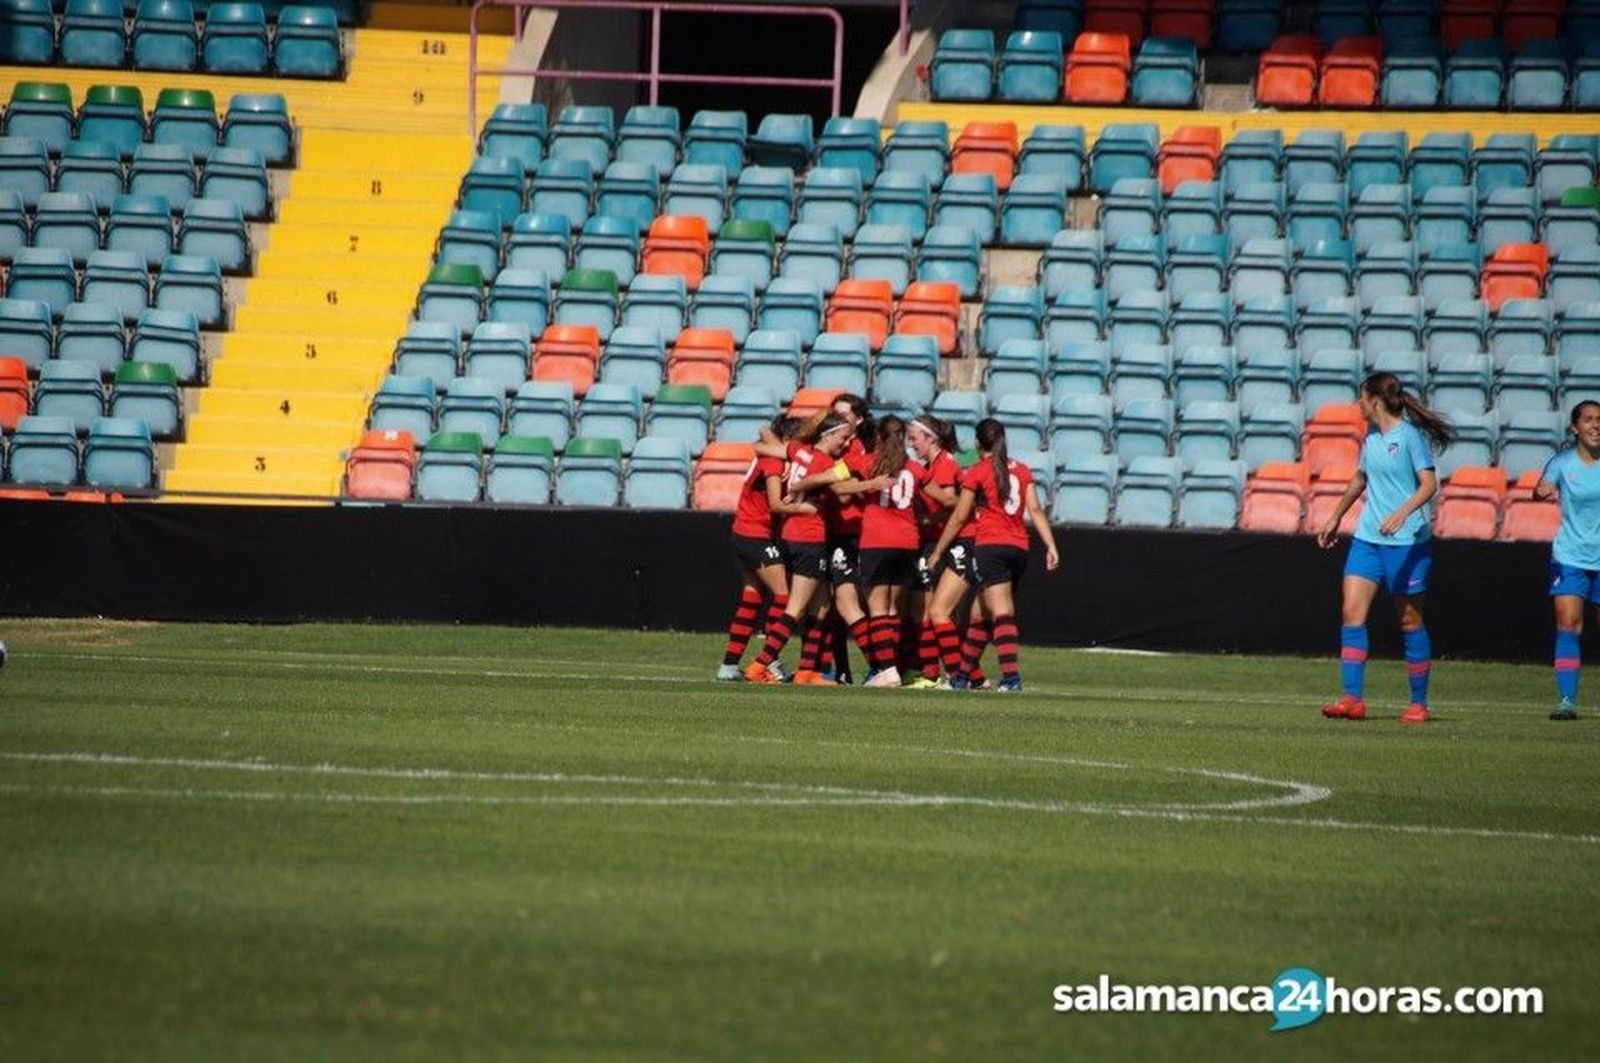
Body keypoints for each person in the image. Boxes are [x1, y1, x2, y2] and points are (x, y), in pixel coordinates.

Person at [1315, 372, 1454, 724]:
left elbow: (1429, 484)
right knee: (1351, 613)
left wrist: (1402, 512)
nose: (1357, 404)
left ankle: (1418, 703)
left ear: (1374, 399)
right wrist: (1335, 517)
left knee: (1409, 620)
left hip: (1407, 543)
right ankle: (1352, 700)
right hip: (1367, 540)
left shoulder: (1409, 436)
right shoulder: (1371, 435)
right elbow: (1360, 479)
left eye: (1361, 397)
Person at [743, 414, 889, 684]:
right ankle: (758, 666)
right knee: (795, 608)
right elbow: (841, 490)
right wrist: (872, 484)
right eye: (843, 438)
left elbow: (759, 446)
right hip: (809, 537)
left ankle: (808, 672)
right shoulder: (823, 461)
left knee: (820, 608)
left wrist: (786, 466)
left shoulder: (798, 450)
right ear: (828, 435)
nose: (845, 444)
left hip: (788, 535)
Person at [927, 418, 1061, 692]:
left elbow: (959, 516)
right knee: (979, 615)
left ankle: (1011, 679)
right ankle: (961, 679)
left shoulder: (977, 471)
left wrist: (939, 550)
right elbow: (1035, 510)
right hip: (1019, 548)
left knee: (1000, 611)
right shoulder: (1022, 470)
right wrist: (1051, 545)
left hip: (991, 547)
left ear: (978, 443)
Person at [715, 416, 812, 681]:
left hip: (743, 531)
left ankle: (728, 666)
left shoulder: (768, 455)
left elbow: (764, 431)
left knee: (752, 598)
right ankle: (770, 661)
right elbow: (775, 503)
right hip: (756, 534)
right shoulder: (774, 461)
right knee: (783, 595)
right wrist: (801, 507)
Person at [1533, 400, 1600, 721]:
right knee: (1569, 624)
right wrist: (1542, 490)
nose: (1595, 425)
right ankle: (1566, 700)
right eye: (1588, 420)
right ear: (1575, 427)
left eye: (1599, 420)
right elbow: (1540, 488)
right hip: (1570, 555)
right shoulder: (1561, 463)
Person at [856, 416, 935, 687]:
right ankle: (893, 667)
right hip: (907, 542)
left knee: (877, 609)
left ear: (879, 436)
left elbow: (834, 482)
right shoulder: (914, 468)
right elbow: (937, 499)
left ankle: (887, 670)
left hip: (876, 541)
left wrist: (864, 486)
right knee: (892, 609)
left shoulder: (869, 462)